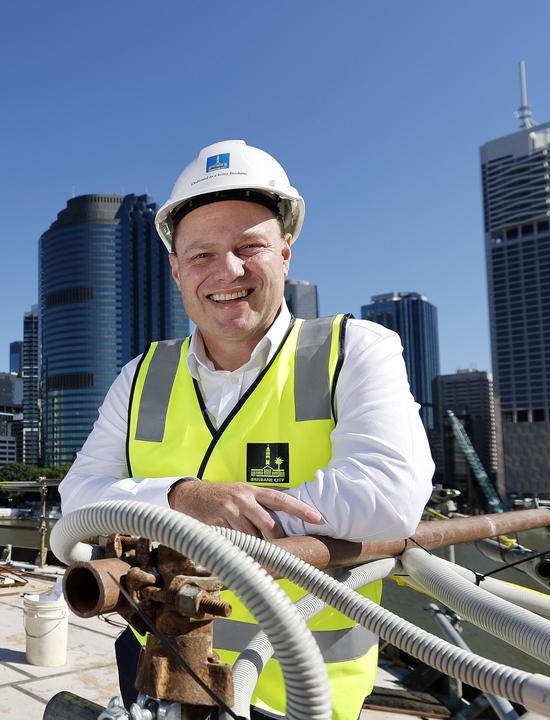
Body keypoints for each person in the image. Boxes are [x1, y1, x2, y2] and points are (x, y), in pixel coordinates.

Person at [59, 139, 433, 720]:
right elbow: (77, 497)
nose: (227, 271)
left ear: (285, 253)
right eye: (202, 254)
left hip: (300, 696)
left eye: (248, 247)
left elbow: (387, 495)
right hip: (155, 674)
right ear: (176, 269)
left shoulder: (352, 350)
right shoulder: (140, 376)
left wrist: (180, 529)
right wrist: (183, 498)